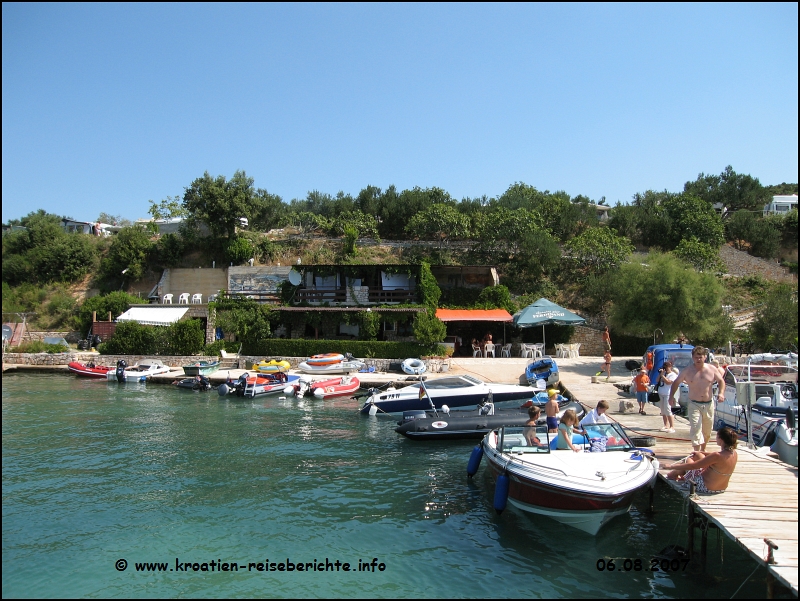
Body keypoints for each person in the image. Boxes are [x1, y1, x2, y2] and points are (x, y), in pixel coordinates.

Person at [669, 345, 726, 452]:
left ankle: (703, 450)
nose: (698, 359)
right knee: (695, 428)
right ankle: (696, 452)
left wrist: (721, 393)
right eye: (696, 357)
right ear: (692, 358)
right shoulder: (687, 371)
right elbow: (676, 383)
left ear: (705, 357)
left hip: (708, 403)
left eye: (700, 357)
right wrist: (671, 396)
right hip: (694, 403)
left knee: (707, 431)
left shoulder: (712, 369)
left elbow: (721, 381)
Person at [665, 427, 738, 493]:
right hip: (721, 488)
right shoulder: (734, 453)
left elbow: (693, 466)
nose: (716, 438)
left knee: (689, 459)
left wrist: (671, 466)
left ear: (721, 440)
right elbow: (717, 456)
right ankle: (676, 474)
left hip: (706, 487)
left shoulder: (716, 456)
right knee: (698, 455)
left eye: (717, 436)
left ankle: (673, 474)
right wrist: (701, 452)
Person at [657, 361, 678, 433]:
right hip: (661, 393)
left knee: (668, 410)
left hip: (668, 394)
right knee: (663, 410)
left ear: (670, 367)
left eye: (667, 367)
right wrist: (660, 374)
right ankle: (666, 425)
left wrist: (663, 376)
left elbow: (668, 382)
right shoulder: (663, 374)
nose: (666, 368)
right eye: (665, 367)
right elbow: (657, 380)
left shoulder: (673, 375)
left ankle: (672, 427)